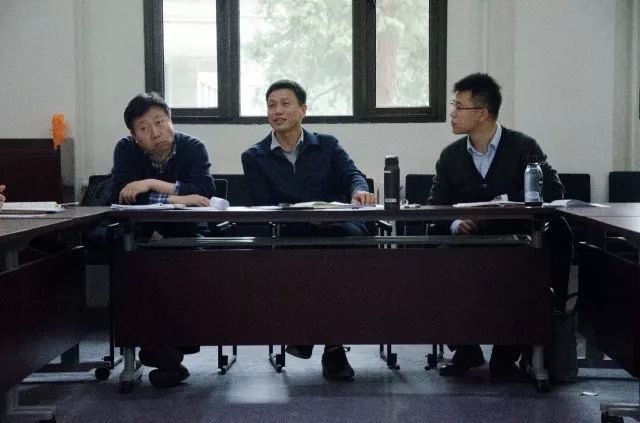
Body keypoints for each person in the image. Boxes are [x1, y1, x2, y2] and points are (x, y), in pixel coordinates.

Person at [427, 73, 573, 380]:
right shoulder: (450, 156)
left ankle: (509, 353)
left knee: (544, 250)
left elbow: (553, 190)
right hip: (470, 244)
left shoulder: (523, 147)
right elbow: (435, 206)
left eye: (459, 107)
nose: (452, 113)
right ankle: (466, 348)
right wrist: (455, 223)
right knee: (436, 255)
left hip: (517, 241)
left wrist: (506, 200)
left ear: (482, 113)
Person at [241, 79, 376, 380]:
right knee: (307, 255)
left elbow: (353, 175)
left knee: (340, 248)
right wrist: (304, 219)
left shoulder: (327, 144)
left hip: (336, 227)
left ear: (303, 110)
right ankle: (332, 347)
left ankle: (307, 334)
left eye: (285, 104)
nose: (277, 111)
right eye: (271, 105)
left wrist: (358, 191)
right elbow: (263, 206)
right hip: (292, 232)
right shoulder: (254, 156)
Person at [112, 92, 216, 388]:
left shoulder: (193, 147)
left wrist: (151, 183)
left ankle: (170, 351)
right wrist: (179, 197)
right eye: (144, 128)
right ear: (134, 137)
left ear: (171, 121)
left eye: (160, 122)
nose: (155, 133)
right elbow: (122, 195)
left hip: (187, 233)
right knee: (137, 273)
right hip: (140, 236)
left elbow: (204, 192)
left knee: (186, 270)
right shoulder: (125, 150)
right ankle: (162, 353)